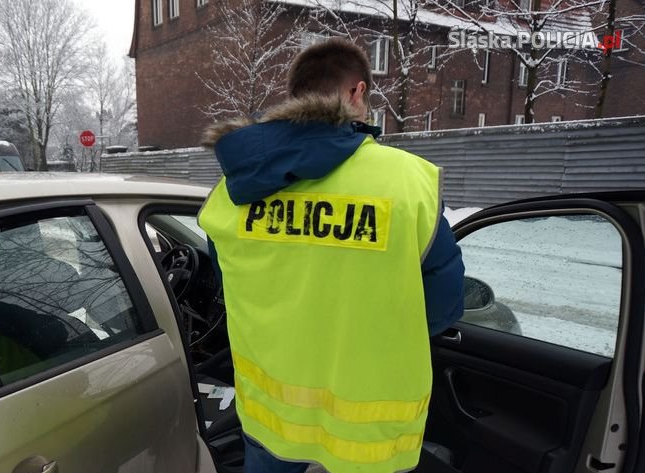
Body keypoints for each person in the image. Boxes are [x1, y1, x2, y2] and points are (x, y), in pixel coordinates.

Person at [197, 38, 465, 473]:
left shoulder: (230, 194)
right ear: (357, 93)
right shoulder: (407, 183)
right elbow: (444, 306)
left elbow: (231, 288)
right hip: (366, 440)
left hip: (270, 423)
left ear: (295, 95)